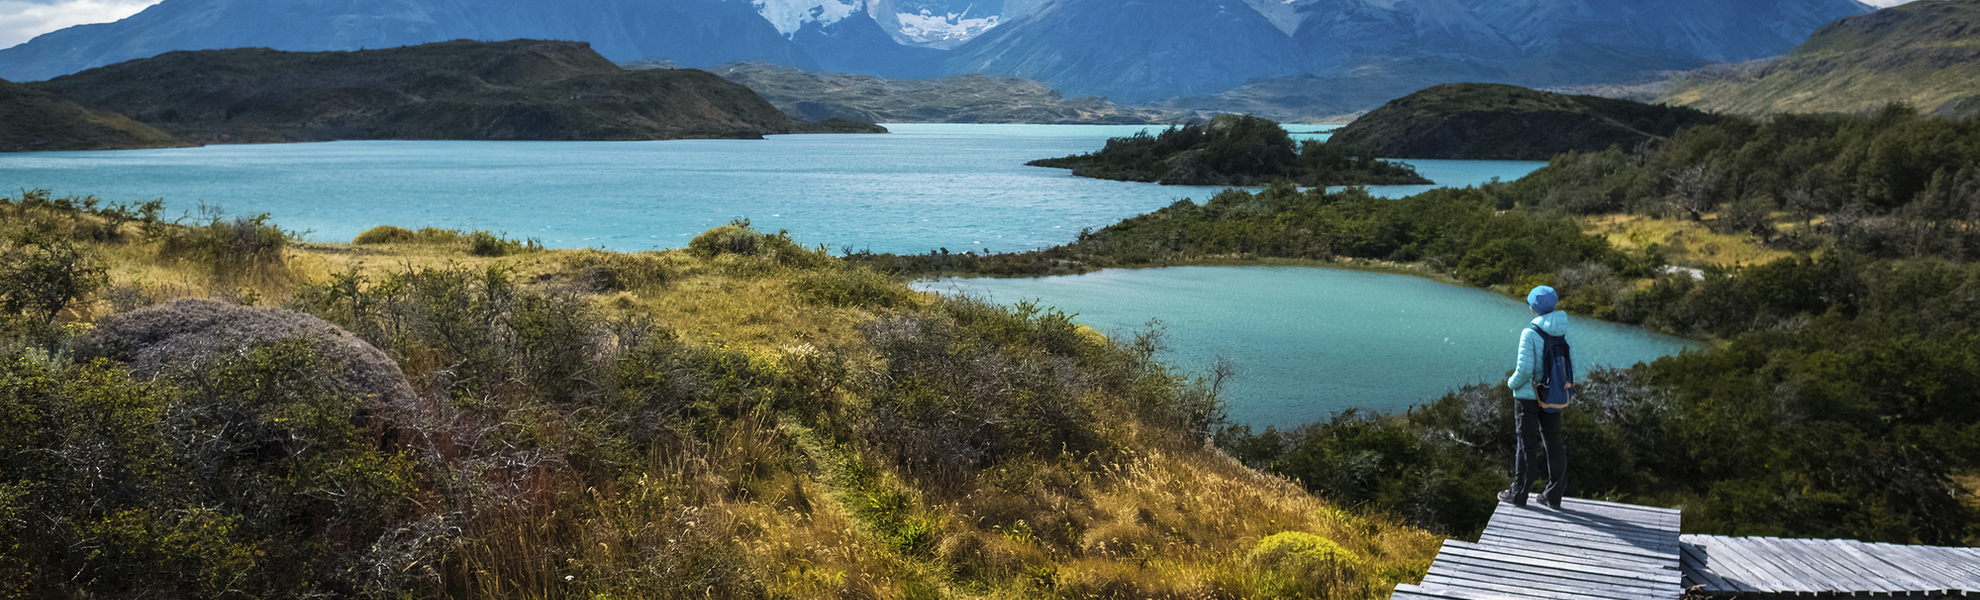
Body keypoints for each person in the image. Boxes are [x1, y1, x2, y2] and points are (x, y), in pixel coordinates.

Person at [1499, 285, 1570, 509]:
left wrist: (1510, 384)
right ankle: (1553, 495)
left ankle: (1519, 495)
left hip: (1529, 397)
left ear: (1533, 307)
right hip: (1554, 395)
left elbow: (1524, 371)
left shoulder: (1530, 333)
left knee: (1526, 445)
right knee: (1554, 442)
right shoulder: (1560, 330)